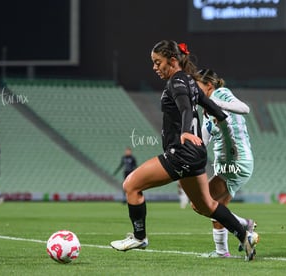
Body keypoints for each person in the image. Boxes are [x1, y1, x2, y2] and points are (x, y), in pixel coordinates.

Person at [110, 40, 258, 261]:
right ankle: (244, 234)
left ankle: (139, 237)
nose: (154, 67)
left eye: (157, 62)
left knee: (130, 185)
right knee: (206, 205)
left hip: (181, 152)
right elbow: (208, 105)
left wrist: (186, 130)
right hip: (196, 154)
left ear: (172, 60)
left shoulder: (177, 80)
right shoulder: (189, 81)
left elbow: (186, 107)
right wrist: (221, 118)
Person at [196, 69, 256, 258]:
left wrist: (216, 103)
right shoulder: (206, 111)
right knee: (217, 209)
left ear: (209, 86)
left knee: (200, 203)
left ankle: (244, 226)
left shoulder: (221, 94)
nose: (196, 92)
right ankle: (222, 251)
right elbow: (202, 143)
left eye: (199, 88)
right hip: (230, 164)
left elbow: (244, 108)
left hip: (235, 162)